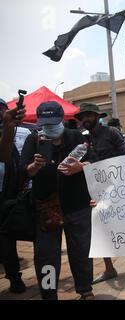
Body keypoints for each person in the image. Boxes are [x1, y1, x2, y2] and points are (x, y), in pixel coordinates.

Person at [20, 101, 97, 300]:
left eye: (54, 122)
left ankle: (85, 290)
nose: (50, 127)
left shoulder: (76, 137)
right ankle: (49, 293)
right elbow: (24, 171)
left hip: (77, 204)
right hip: (46, 207)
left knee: (81, 250)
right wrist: (34, 167)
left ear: (62, 119)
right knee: (46, 254)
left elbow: (95, 162)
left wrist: (80, 167)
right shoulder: (34, 140)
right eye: (46, 123)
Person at [74, 102, 125, 284]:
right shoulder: (83, 140)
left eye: (89, 115)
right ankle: (109, 268)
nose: (86, 119)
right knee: (100, 228)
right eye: (83, 117)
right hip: (96, 190)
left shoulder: (111, 132)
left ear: (97, 116)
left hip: (118, 187)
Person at [0, 98, 27, 293]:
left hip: (6, 197)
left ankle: (14, 276)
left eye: (2, 110)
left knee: (6, 237)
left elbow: (7, 158)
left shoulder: (17, 133)